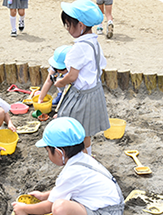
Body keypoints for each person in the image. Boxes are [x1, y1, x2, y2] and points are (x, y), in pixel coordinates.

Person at [54, 0, 110, 156]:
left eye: (68, 25)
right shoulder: (94, 43)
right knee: (86, 131)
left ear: (80, 25)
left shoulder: (78, 48)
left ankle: (80, 159)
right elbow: (100, 65)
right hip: (95, 92)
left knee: (71, 125)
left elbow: (72, 76)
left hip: (82, 95)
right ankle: (88, 157)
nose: (67, 29)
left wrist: (60, 81)